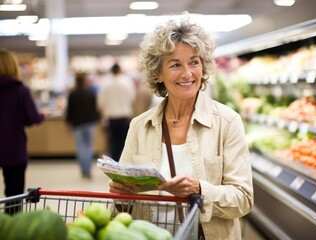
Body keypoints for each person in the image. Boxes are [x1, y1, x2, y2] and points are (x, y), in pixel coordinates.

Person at [108, 19, 254, 240]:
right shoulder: (140, 126)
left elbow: (243, 199)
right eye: (175, 64)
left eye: (194, 62)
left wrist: (200, 189)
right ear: (158, 74)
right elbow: (121, 209)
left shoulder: (227, 122)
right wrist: (120, 197)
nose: (187, 74)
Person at [0, 48, 45, 215]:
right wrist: (42, 115)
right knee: (14, 195)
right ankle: (10, 228)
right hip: (14, 149)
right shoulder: (20, 91)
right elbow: (32, 118)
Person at [97, 63, 136, 161]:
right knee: (124, 143)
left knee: (113, 143)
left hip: (112, 118)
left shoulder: (106, 83)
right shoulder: (127, 82)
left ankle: (114, 164)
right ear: (119, 70)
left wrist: (103, 114)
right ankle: (124, 164)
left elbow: (101, 102)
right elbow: (132, 98)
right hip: (125, 117)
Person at [65, 72, 99, 178]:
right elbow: (95, 108)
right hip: (89, 123)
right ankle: (88, 169)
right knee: (89, 146)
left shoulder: (72, 94)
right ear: (84, 81)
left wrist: (68, 123)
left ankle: (83, 170)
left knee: (80, 147)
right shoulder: (90, 92)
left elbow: (69, 110)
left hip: (77, 124)